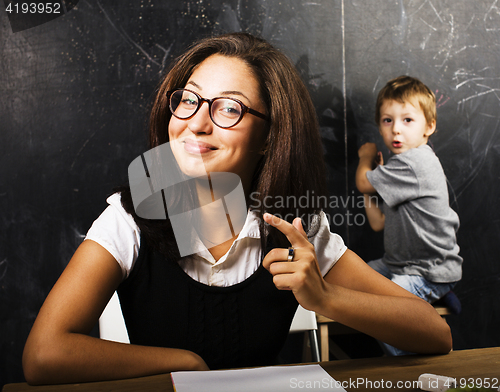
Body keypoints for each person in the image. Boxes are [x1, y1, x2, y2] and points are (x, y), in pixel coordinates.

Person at [23, 34, 452, 385]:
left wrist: (326, 297)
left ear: (269, 136)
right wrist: (186, 364)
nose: (196, 122)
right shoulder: (129, 217)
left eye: (228, 108)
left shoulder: (293, 226)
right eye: (188, 100)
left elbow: (434, 334)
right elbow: (44, 354)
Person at [356, 75, 462, 354]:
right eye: (387, 120)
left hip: (428, 269)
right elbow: (378, 223)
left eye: (407, 120)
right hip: (398, 263)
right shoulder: (398, 169)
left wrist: (365, 159)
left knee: (387, 318)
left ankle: (413, 369)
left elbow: (362, 182)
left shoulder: (415, 163)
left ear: (430, 126)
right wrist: (375, 186)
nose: (396, 131)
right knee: (356, 279)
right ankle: (428, 302)